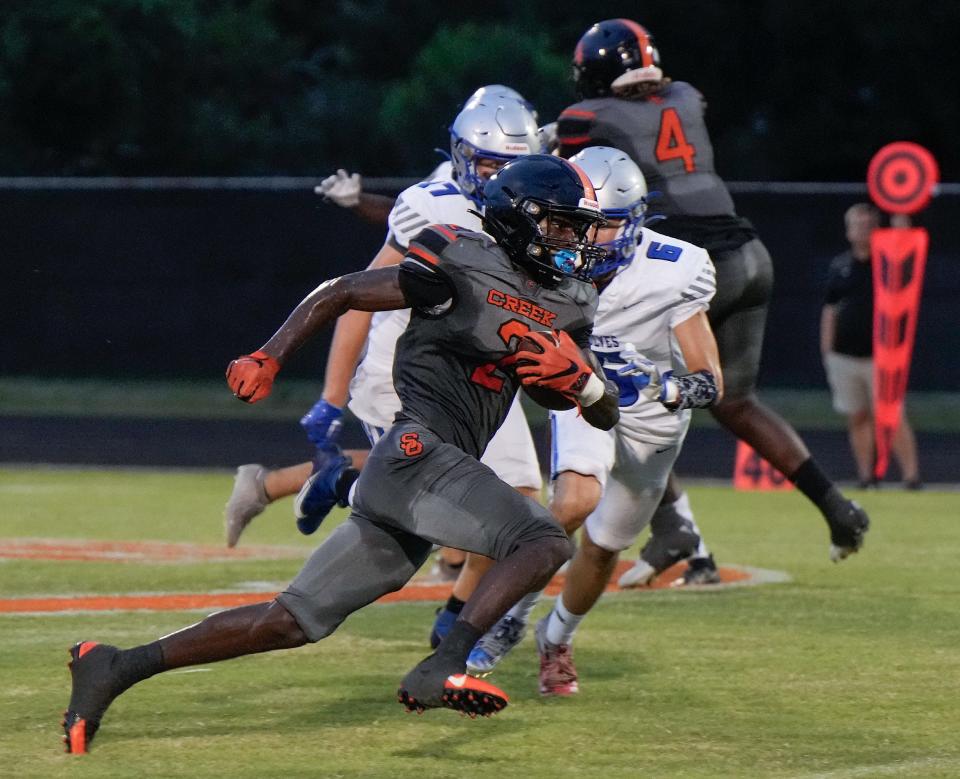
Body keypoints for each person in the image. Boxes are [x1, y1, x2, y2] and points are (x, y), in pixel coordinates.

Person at [62, 154, 619, 753]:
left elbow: (588, 405)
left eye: (576, 226)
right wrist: (269, 354)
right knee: (542, 539)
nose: (573, 238)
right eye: (561, 223)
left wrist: (583, 382)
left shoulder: (571, 299)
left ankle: (114, 665)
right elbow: (345, 291)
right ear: (519, 217)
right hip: (417, 451)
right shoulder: (460, 259)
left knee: (291, 622)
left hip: (432, 471)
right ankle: (445, 662)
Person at [557, 18, 870, 570]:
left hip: (690, 263)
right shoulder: (685, 95)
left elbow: (571, 173)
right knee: (736, 401)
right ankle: (837, 507)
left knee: (618, 387)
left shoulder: (585, 118)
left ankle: (679, 532)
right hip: (749, 253)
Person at [224, 94, 545, 555]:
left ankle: (472, 621)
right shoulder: (432, 205)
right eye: (490, 166)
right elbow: (356, 295)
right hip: (407, 370)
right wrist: (332, 398)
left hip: (482, 372)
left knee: (520, 500)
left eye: (515, 167)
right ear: (461, 157)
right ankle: (345, 485)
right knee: (439, 513)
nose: (502, 180)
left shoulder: (541, 216)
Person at [465, 146, 723, 682]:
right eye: (573, 222)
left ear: (631, 223)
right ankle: (509, 618)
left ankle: (556, 637)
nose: (584, 237)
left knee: (604, 549)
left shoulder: (673, 270)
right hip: (584, 397)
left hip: (653, 422)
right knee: (573, 502)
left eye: (600, 225)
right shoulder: (545, 261)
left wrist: (679, 387)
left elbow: (710, 378)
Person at [820, 203, 922, 488]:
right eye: (857, 225)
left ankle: (911, 476)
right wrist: (827, 350)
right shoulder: (840, 266)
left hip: (883, 356)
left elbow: (904, 244)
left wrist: (901, 214)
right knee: (858, 417)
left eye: (868, 225)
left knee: (892, 414)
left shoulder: (888, 262)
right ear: (848, 230)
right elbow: (830, 309)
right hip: (844, 356)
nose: (862, 230)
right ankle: (866, 476)